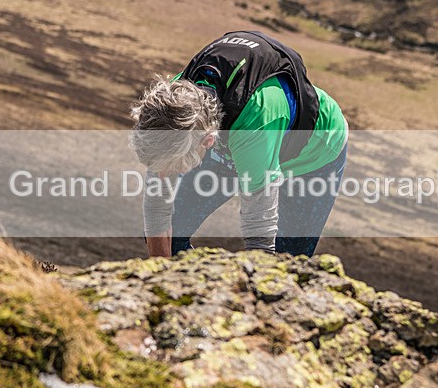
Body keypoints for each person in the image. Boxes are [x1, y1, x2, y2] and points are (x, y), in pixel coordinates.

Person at [130, 30, 348, 257]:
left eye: (173, 168)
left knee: (289, 262)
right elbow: (157, 210)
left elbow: (260, 236)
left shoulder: (255, 120)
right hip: (235, 137)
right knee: (172, 236)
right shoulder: (171, 106)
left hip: (314, 154)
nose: (163, 176)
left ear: (208, 141)